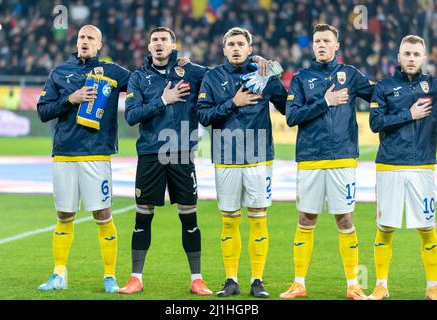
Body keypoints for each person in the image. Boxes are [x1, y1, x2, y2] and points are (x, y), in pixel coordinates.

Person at [119, 26, 271, 296]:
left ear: (173, 44)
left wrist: (259, 61)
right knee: (143, 218)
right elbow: (131, 116)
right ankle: (135, 278)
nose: (158, 44)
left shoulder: (193, 72)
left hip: (181, 154)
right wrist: (163, 100)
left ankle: (197, 279)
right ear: (148, 45)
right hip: (150, 154)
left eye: (164, 39)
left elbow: (224, 72)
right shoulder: (138, 77)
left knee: (189, 218)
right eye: (154, 40)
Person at [282, 24, 374, 300]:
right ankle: (299, 283)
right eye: (317, 41)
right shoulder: (301, 78)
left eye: (326, 41)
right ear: (312, 46)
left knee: (345, 219)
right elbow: (291, 117)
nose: (321, 45)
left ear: (336, 46)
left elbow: (379, 95)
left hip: (343, 158)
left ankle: (353, 285)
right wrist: (325, 101)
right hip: (310, 158)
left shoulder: (351, 75)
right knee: (306, 217)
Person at [36, 25, 130, 293]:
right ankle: (59, 274)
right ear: (76, 42)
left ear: (100, 45)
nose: (85, 41)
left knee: (103, 213)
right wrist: (70, 99)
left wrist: (175, 60)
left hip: (97, 153)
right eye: (81, 37)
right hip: (65, 153)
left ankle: (109, 276)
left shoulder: (113, 72)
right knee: (64, 214)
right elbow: (43, 111)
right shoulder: (60, 73)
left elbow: (144, 79)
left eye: (91, 38)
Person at [197, 27, 287, 298]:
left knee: (258, 219)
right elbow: (203, 116)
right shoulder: (212, 77)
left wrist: (276, 73)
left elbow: (287, 107)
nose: (235, 48)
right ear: (223, 49)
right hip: (225, 157)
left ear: (250, 49)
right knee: (229, 220)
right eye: (231, 44)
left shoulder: (263, 74)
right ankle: (231, 280)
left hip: (259, 156)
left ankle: (257, 280)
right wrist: (233, 102)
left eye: (241, 44)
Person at [368, 35, 437, 300]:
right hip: (390, 165)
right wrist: (409, 114)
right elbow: (375, 123)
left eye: (416, 54)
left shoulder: (432, 86)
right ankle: (381, 285)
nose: (411, 58)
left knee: (427, 228)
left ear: (424, 58)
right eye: (406, 53)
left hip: (423, 166)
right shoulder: (384, 86)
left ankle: (432, 286)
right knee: (385, 227)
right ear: (398, 56)